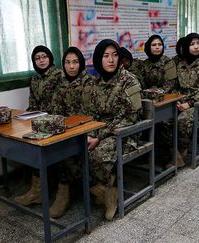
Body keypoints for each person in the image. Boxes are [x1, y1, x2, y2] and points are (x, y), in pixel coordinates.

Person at [50, 39, 143, 221]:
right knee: (68, 150)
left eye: (115, 55)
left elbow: (130, 117)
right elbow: (89, 114)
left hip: (124, 133)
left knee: (96, 156)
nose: (111, 60)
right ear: (99, 59)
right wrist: (88, 133)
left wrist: (97, 136)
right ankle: (101, 190)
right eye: (106, 56)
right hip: (99, 131)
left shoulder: (129, 81)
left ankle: (109, 193)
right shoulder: (94, 84)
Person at [14, 45, 67, 206]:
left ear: (50, 58)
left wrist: (46, 117)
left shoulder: (59, 75)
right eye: (37, 58)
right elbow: (33, 103)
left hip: (55, 120)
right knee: (24, 140)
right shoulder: (35, 79)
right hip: (38, 120)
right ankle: (37, 190)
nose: (41, 60)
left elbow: (61, 102)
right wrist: (26, 116)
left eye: (44, 57)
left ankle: (47, 190)